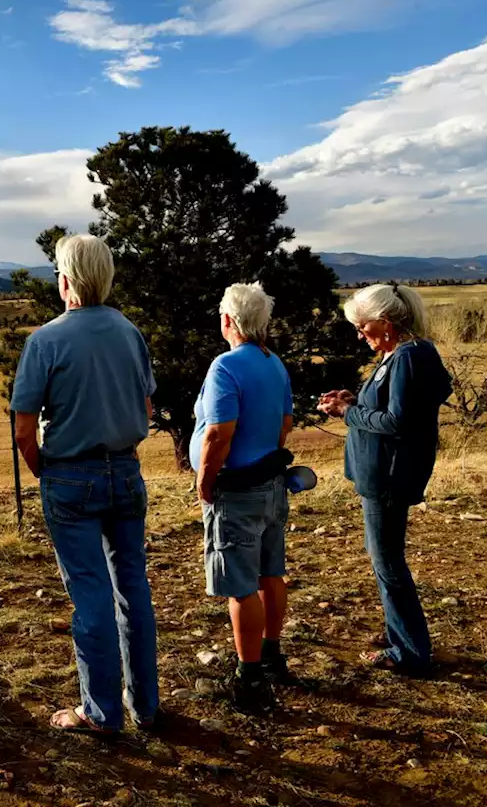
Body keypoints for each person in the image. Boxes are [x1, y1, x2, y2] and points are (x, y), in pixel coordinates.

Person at [10, 234, 159, 736]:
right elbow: (146, 410)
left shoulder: (46, 340)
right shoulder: (130, 332)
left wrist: (44, 471)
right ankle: (146, 705)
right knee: (132, 588)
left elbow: (24, 428)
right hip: (127, 470)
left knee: (90, 593)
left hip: (71, 475)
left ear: (66, 280)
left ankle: (100, 712)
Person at [319, 283, 452, 677]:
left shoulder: (407, 358)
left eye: (364, 327)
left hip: (388, 476)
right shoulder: (408, 353)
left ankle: (409, 651)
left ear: (387, 322)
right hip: (387, 472)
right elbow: (401, 406)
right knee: (386, 559)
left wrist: (347, 412)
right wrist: (357, 401)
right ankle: (401, 634)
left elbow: (398, 421)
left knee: (388, 562)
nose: (360, 335)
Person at [190, 283, 295, 713]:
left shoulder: (225, 366)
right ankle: (272, 652)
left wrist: (206, 478)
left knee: (240, 586)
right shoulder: (275, 364)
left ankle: (248, 676)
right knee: (272, 572)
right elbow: (286, 421)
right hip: (271, 482)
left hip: (237, 489)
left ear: (228, 321)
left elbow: (218, 432)